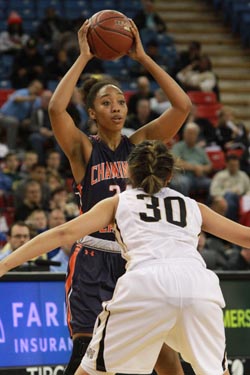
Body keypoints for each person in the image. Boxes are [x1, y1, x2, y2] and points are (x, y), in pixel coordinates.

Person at [5, 139, 250, 374]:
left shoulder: (119, 202)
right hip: (199, 286)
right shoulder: (193, 205)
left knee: (93, 370)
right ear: (170, 176)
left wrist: (4, 264)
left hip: (146, 283)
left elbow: (63, 233)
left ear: (129, 172)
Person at [48, 19, 191, 375]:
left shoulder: (139, 146)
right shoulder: (82, 148)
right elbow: (55, 109)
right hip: (93, 257)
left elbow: (182, 106)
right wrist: (83, 57)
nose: (117, 107)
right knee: (86, 353)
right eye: (106, 102)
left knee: (163, 355)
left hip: (136, 259)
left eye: (121, 101)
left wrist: (143, 57)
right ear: (92, 113)